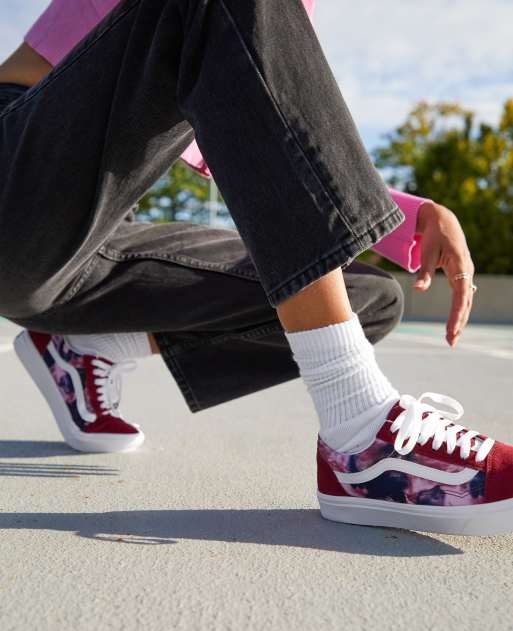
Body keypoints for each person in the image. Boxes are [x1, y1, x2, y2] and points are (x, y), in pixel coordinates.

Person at [1, 0, 511, 536]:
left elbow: (252, 131)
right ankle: (362, 435)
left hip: (79, 246)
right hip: (15, 184)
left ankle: (83, 347)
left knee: (366, 298)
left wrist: (410, 218)